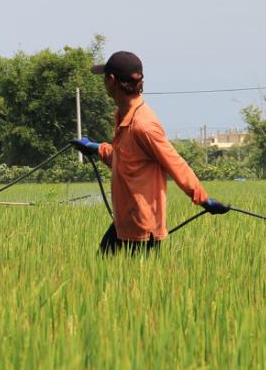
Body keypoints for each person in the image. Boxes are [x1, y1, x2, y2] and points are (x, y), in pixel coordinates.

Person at [71, 51, 230, 255]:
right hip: (125, 223)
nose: (103, 82)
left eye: (104, 77)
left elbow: (175, 164)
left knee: (123, 281)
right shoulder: (123, 116)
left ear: (111, 81)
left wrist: (203, 199)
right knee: (101, 274)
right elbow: (126, 159)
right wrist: (96, 149)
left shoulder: (143, 125)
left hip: (142, 229)